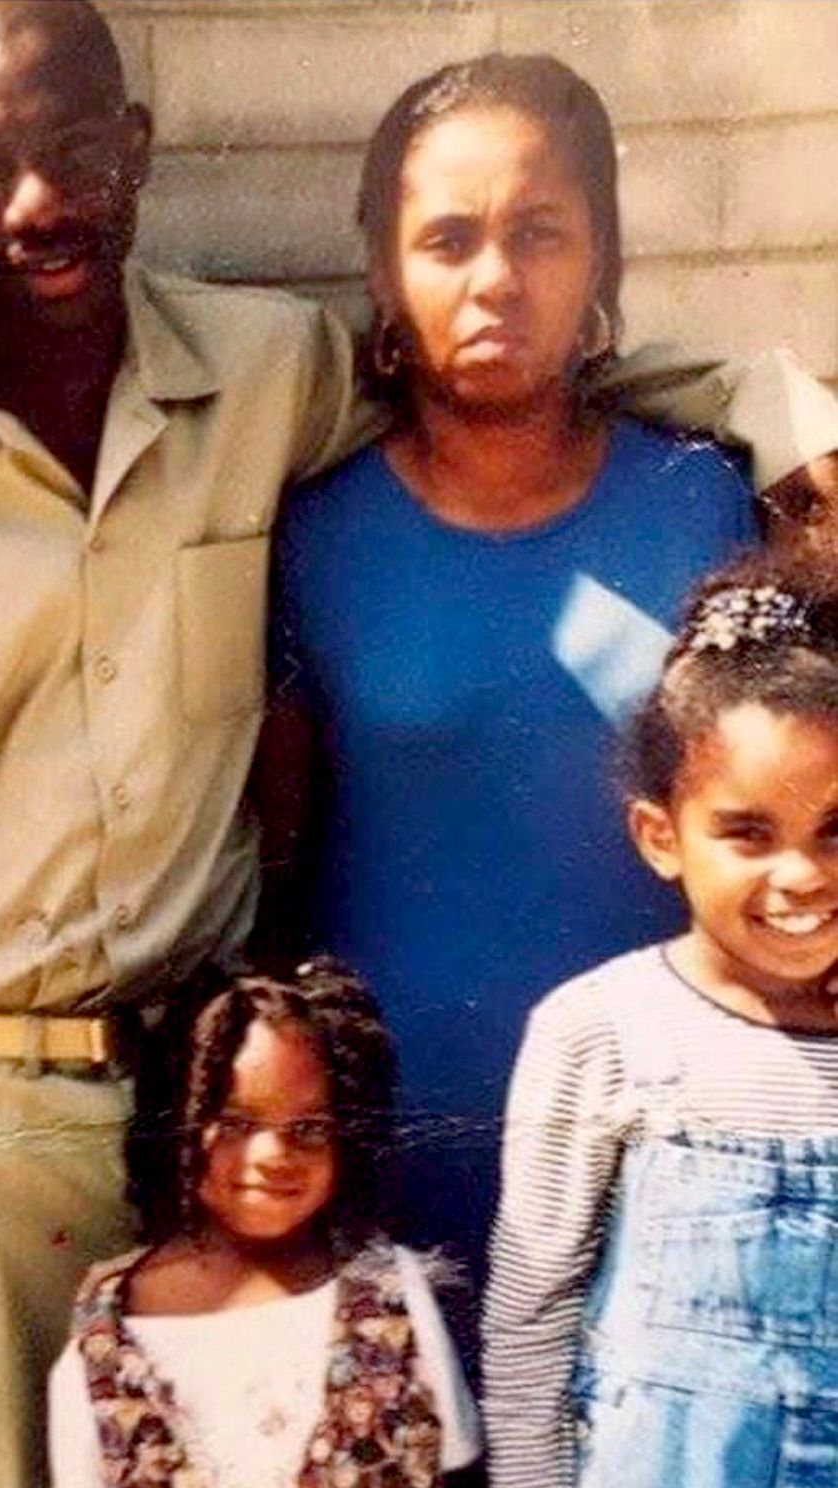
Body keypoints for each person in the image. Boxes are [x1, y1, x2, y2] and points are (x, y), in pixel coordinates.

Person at [0, 6, 833, 1488]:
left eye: (67, 146)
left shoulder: (264, 374)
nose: (34, 198)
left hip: (228, 1102)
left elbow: (491, 359)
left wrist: (773, 407)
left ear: (136, 149)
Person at [264, 52, 781, 1278]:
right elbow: (273, 864)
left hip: (662, 1144)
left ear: (598, 257)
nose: (495, 278)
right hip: (387, 1152)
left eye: (538, 233)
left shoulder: (703, 502)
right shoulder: (315, 530)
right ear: (385, 270)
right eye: (447, 239)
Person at [483, 551, 838, 1488]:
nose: (800, 875)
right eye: (748, 831)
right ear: (661, 834)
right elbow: (530, 1315)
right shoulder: (602, 1029)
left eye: (836, 829)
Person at [44, 958, 484, 1488]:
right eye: (235, 1123)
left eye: (308, 1128)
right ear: (178, 1120)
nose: (274, 1153)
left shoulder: (390, 1294)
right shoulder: (108, 1337)